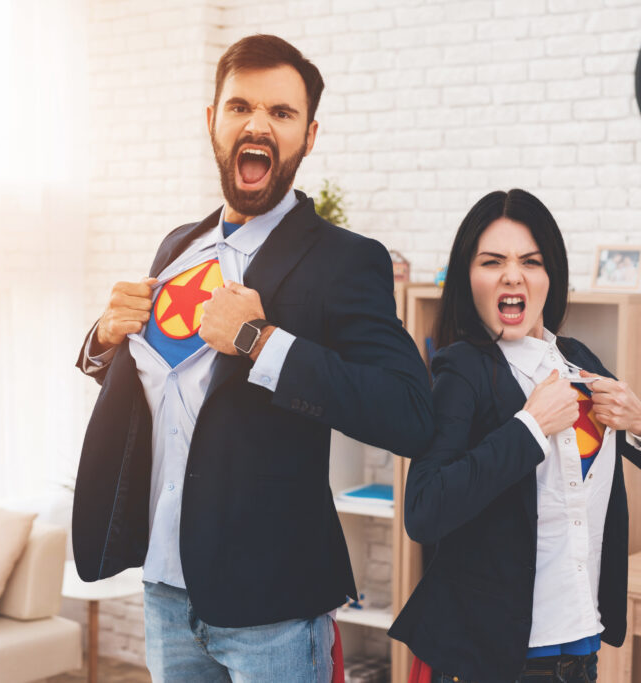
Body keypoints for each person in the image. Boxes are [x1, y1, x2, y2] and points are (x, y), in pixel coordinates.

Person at [72, 34, 433, 682]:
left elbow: (410, 413)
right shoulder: (176, 247)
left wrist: (260, 342)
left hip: (273, 609)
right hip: (165, 589)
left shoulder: (345, 261)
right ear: (212, 121)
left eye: (282, 112)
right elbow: (158, 392)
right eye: (240, 106)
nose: (258, 123)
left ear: (309, 135)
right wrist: (101, 340)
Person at [387, 189, 641, 683]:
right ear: (467, 278)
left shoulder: (578, 361)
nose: (512, 275)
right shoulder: (461, 371)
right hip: (501, 661)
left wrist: (640, 418)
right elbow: (424, 510)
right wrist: (531, 427)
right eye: (491, 261)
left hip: (580, 652)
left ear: (550, 277)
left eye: (531, 261)